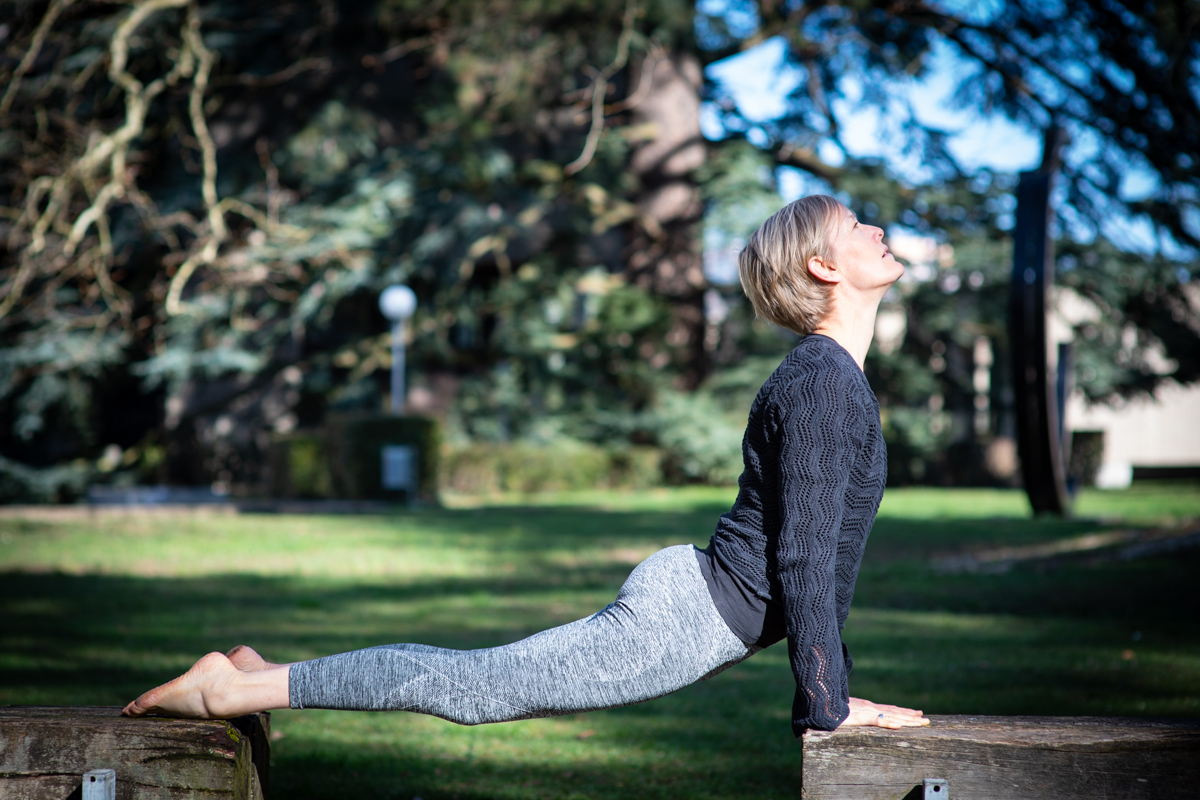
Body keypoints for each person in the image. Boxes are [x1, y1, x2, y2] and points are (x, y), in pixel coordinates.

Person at [123, 195, 929, 735]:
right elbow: (802, 557)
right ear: (825, 267)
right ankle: (230, 691)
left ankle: (262, 676)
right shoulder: (825, 383)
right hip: (693, 616)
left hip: (700, 598)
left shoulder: (830, 378)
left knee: (481, 681)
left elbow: (822, 558)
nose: (873, 230)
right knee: (477, 689)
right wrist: (827, 705)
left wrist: (830, 695)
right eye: (854, 225)